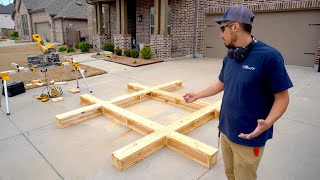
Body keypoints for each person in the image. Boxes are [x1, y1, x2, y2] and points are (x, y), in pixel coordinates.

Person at [183, 6, 293, 180]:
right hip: (226, 131)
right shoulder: (231, 56)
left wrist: (268, 122)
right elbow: (221, 83)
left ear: (235, 27)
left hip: (248, 138)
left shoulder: (270, 57)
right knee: (230, 174)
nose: (220, 34)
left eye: (222, 28)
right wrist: (198, 95)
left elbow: (282, 98)